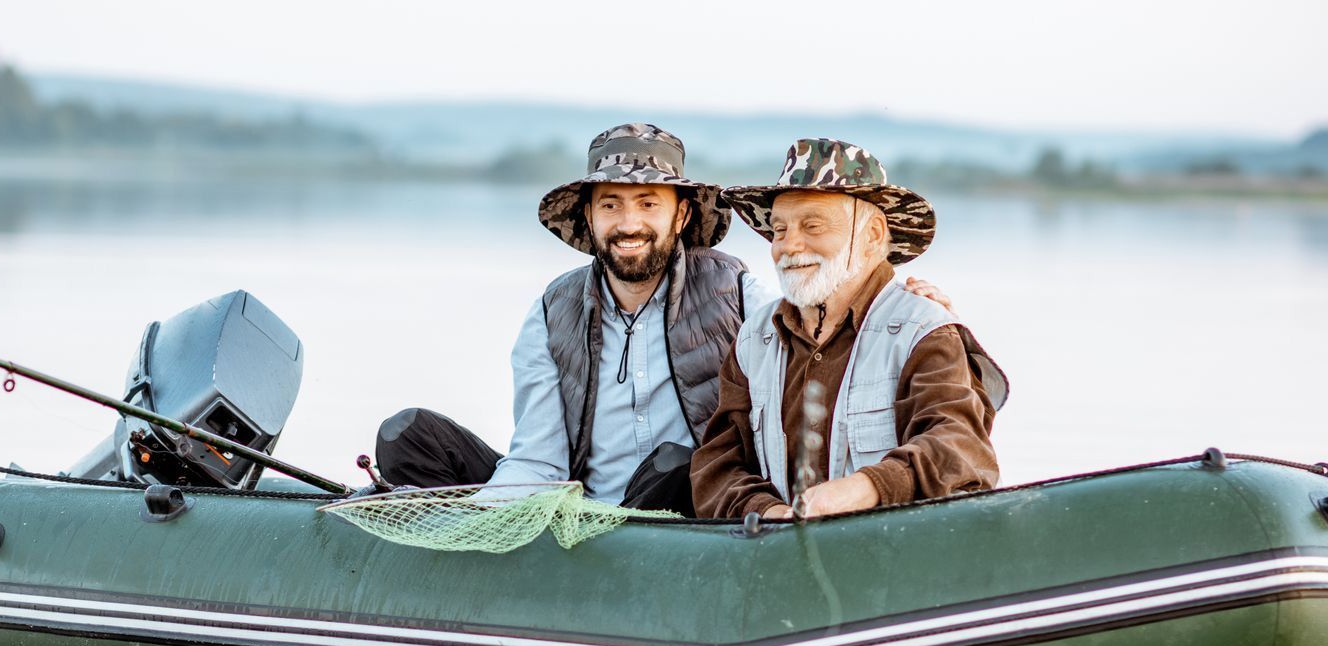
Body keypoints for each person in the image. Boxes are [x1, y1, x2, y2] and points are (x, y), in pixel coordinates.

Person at [374, 124, 951, 515]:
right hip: (569, 504)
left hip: (685, 504)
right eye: (611, 205)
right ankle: (464, 552)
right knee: (409, 435)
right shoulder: (554, 310)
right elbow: (538, 458)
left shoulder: (737, 291)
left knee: (678, 463)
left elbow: (821, 330)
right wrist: (484, 519)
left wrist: (906, 315)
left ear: (680, 217)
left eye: (649, 203)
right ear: (590, 219)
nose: (630, 223)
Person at [690, 139, 1008, 522]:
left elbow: (960, 449)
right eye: (778, 230)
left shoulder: (925, 329)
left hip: (896, 563)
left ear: (873, 234)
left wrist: (865, 488)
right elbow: (717, 465)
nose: (789, 246)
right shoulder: (754, 337)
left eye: (812, 225)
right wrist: (766, 511)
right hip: (781, 558)